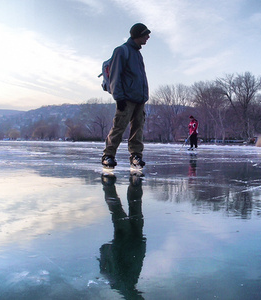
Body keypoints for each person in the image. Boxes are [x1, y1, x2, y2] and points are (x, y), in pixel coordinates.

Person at [102, 23, 151, 171]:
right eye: (145, 34)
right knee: (119, 127)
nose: (148, 37)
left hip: (139, 99)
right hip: (126, 98)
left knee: (138, 129)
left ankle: (136, 156)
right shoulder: (122, 51)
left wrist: (144, 96)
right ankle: (108, 156)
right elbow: (116, 75)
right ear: (137, 35)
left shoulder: (138, 53)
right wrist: (119, 98)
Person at [99, 174, 146, 299]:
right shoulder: (128, 284)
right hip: (135, 241)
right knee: (134, 209)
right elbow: (138, 260)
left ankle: (108, 185)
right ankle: (134, 185)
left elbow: (117, 260)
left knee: (119, 212)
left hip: (124, 242)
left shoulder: (123, 285)